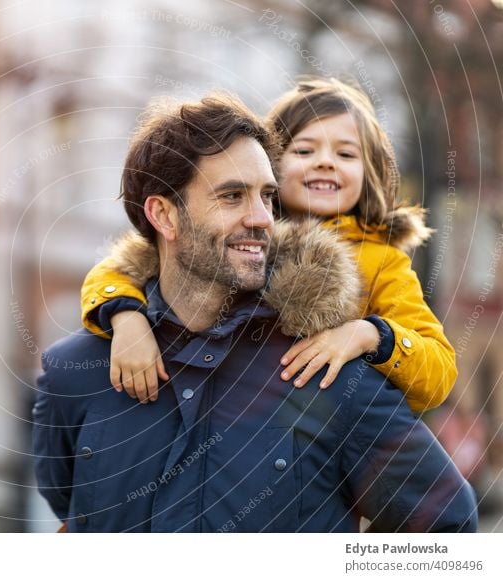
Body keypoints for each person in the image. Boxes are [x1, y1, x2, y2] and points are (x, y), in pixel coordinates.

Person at [32, 92, 476, 532]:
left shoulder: (331, 371)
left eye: (266, 196)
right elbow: (77, 506)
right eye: (232, 196)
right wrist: (125, 316)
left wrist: (370, 334)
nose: (261, 217)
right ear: (162, 217)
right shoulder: (74, 373)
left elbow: (445, 516)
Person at [81, 79, 456, 413]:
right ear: (269, 162)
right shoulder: (232, 236)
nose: (325, 162)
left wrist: (370, 334)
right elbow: (118, 269)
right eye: (305, 150)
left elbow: (439, 372)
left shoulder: (381, 261)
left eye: (345, 154)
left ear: (368, 170)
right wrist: (127, 318)